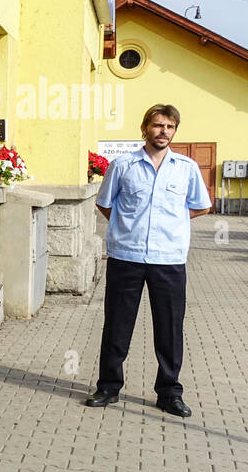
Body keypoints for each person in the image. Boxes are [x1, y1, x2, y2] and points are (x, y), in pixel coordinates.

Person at [85, 104, 211, 417]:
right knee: (117, 324)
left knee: (169, 328)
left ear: (175, 130)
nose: (163, 132)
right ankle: (108, 387)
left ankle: (169, 393)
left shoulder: (186, 168)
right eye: (157, 126)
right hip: (126, 257)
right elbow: (105, 204)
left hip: (168, 259)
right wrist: (126, 227)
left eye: (169, 126)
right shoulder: (123, 165)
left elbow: (201, 206)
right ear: (145, 128)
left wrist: (174, 225)